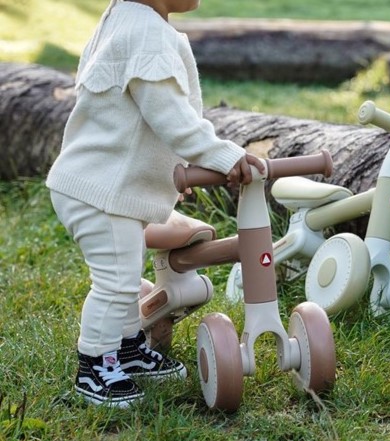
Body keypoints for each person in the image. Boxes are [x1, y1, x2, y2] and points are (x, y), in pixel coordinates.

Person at [46, 0, 265, 408]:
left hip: (104, 185)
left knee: (126, 274)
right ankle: (94, 366)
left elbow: (125, 115)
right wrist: (223, 156)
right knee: (116, 283)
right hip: (101, 191)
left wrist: (170, 170)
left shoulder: (123, 19)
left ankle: (127, 349)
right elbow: (170, 116)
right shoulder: (146, 32)